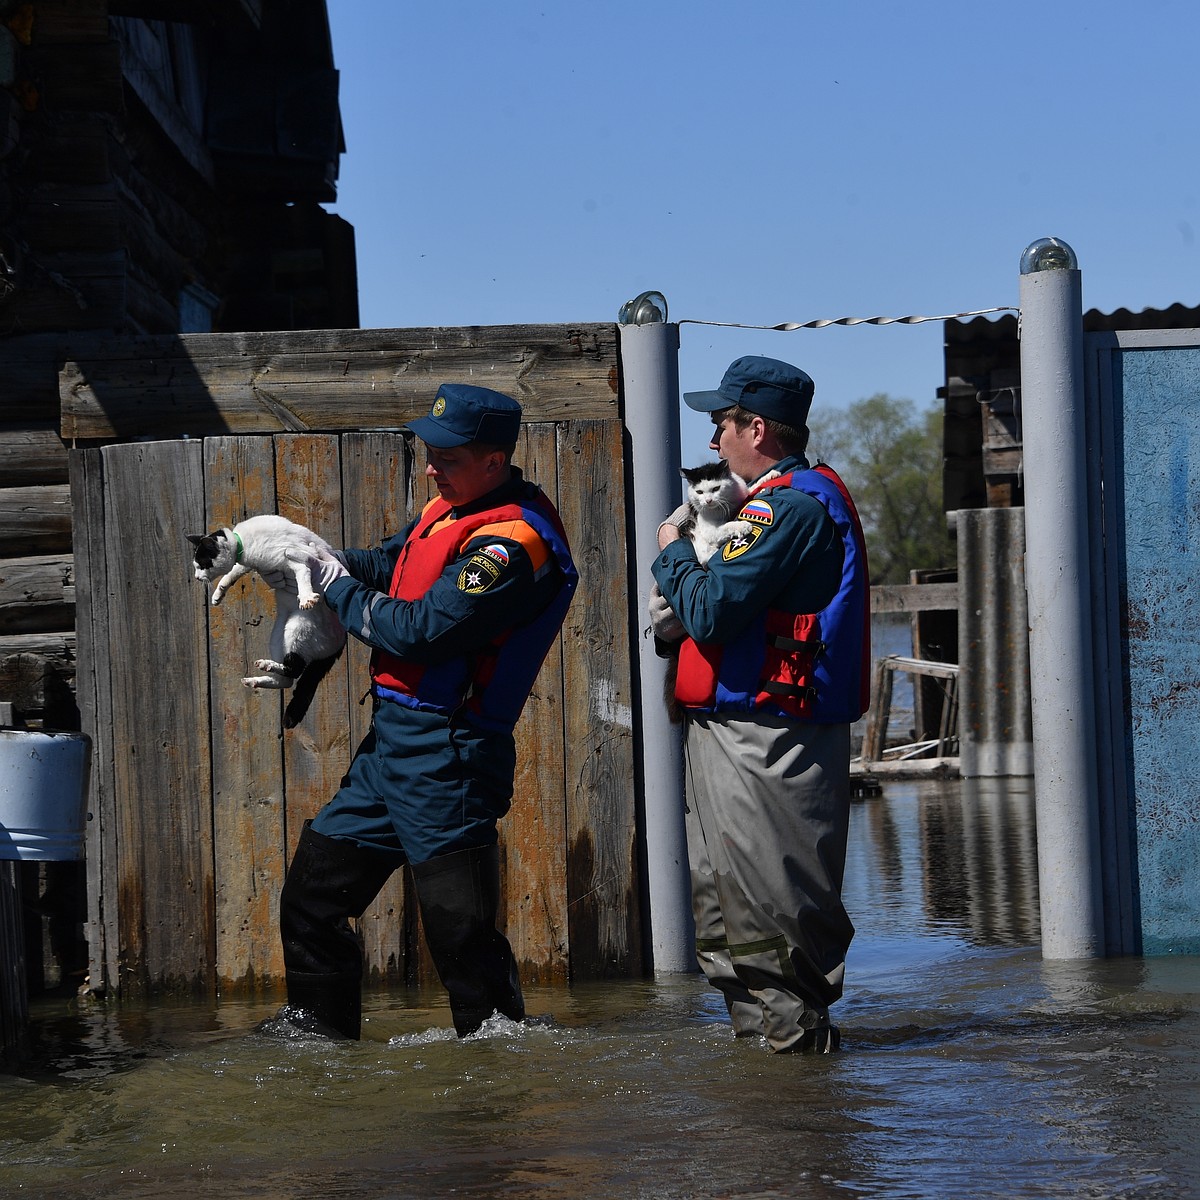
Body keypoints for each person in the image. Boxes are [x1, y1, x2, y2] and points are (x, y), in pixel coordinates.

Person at [277, 383, 577, 1039]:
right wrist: (315, 558)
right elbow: (390, 562)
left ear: (494, 463)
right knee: (311, 900)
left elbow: (418, 631)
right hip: (389, 751)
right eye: (428, 452)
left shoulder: (510, 546)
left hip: (450, 756)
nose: (432, 467)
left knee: (461, 943)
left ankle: (493, 1099)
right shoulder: (448, 510)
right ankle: (316, 1051)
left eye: (448, 457)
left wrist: (337, 589)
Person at [649, 356, 870, 1053]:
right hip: (735, 732)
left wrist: (671, 551)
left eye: (722, 425)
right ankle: (770, 1105)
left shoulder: (787, 504)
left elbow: (709, 611)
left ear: (758, 428)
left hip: (771, 739)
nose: (713, 442)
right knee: (729, 925)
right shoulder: (760, 506)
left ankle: (802, 1111)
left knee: (776, 924)